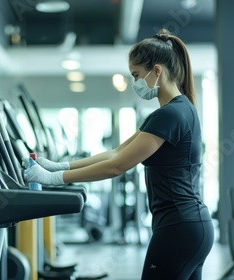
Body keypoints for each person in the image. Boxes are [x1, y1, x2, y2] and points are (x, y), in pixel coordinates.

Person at [24, 28, 214, 280]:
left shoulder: (168, 115)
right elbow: (116, 152)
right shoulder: (182, 109)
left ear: (157, 71)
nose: (134, 82)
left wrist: (53, 179)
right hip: (194, 227)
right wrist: (59, 166)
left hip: (177, 228)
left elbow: (117, 166)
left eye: (136, 75)